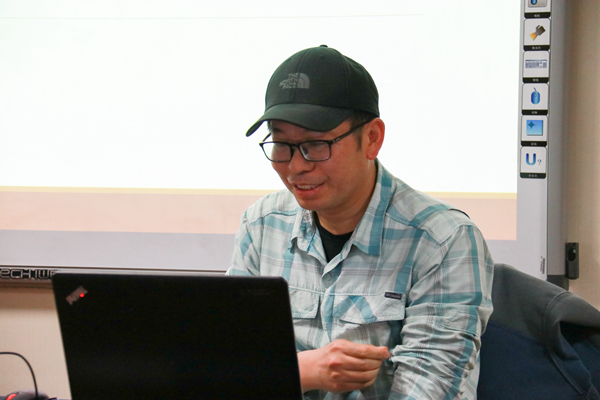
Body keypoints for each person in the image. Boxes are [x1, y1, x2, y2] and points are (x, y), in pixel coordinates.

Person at [227, 45, 494, 400]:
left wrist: (279, 373)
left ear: (371, 139)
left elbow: (430, 390)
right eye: (281, 144)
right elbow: (228, 367)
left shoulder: (443, 241)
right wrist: (303, 371)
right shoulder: (262, 226)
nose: (296, 166)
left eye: (315, 144)